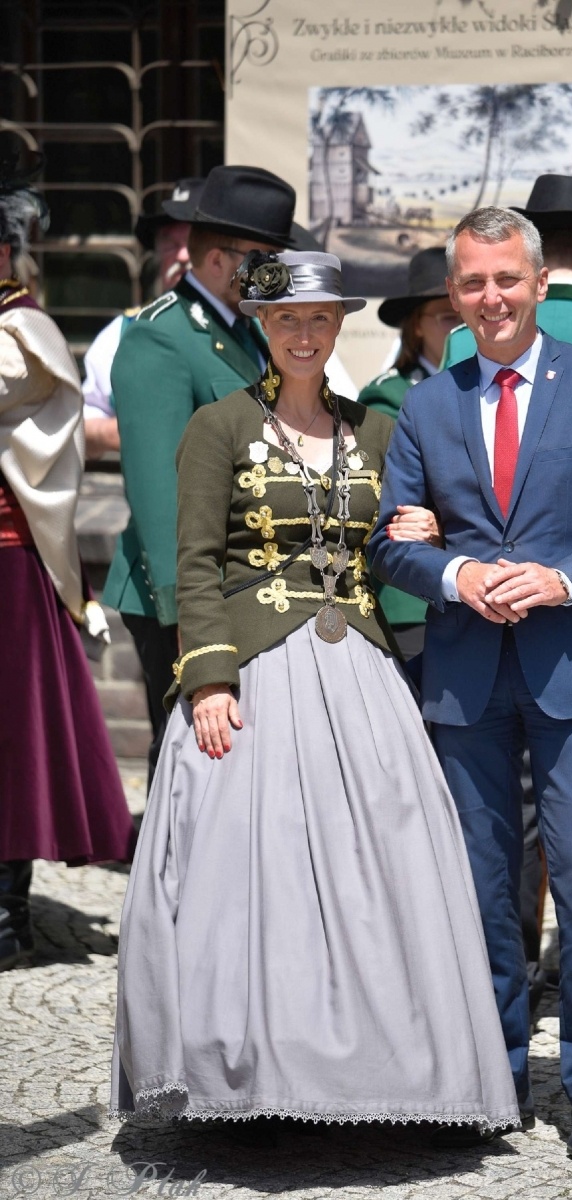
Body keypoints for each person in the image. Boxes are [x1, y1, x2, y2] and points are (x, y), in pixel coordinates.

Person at [110, 249, 519, 1135]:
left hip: (362, 669)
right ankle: (252, 1079)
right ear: (261, 325)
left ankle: (391, 1079)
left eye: (319, 318)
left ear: (338, 326)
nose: (304, 333)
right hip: (255, 669)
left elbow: (409, 527)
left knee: (387, 862)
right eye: (286, 318)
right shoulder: (219, 426)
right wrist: (208, 677)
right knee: (258, 870)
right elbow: (195, 563)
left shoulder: (374, 427)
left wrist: (423, 523)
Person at [368, 207, 572, 1160]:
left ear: (539, 284)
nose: (491, 297)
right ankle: (492, 1069)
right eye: (472, 284)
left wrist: (561, 576)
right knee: (480, 887)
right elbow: (389, 539)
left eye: (507, 279)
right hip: (466, 674)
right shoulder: (427, 402)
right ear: (452, 296)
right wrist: (456, 575)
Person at [103, 165, 297, 787]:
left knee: (232, 758)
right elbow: (160, 493)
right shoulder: (160, 336)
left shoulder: (243, 332)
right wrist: (189, 613)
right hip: (189, 591)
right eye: (265, 260)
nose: (276, 275)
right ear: (219, 258)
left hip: (240, 579)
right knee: (192, 757)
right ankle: (170, 883)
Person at [0, 169, 137, 972]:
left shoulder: (23, 329)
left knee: (8, 736)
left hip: (8, 567)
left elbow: (37, 422)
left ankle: (8, 913)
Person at [359, 247, 460, 658]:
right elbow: (395, 507)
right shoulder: (389, 396)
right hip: (413, 604)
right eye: (447, 316)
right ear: (416, 326)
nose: (462, 326)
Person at [82, 177, 205, 460]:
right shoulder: (123, 332)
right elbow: (81, 426)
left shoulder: (264, 330)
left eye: (194, 243)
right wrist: (119, 431)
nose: (183, 256)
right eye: (171, 244)